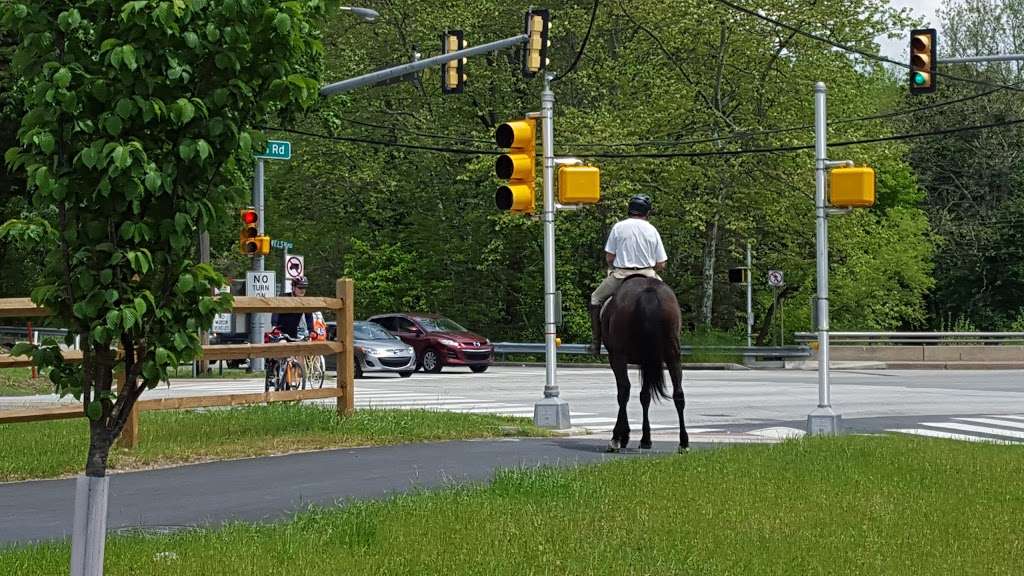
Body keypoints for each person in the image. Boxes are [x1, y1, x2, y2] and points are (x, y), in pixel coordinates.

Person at [588, 194, 668, 354]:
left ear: (630, 210)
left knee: (595, 298)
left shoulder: (618, 227)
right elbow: (661, 263)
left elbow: (609, 256)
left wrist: (613, 264)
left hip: (621, 275)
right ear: (647, 212)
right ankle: (671, 339)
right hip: (648, 274)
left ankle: (596, 342)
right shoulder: (652, 230)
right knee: (668, 300)